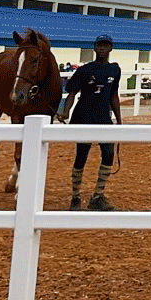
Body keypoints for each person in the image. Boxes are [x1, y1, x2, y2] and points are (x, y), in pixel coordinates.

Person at [59, 34, 122, 211]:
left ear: (110, 48)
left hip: (103, 117)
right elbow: (72, 93)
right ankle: (75, 197)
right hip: (84, 116)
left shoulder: (114, 70)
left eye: (105, 45)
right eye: (99, 45)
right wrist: (65, 111)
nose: (102, 48)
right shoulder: (85, 70)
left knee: (108, 154)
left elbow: (114, 95)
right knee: (81, 156)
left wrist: (119, 120)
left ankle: (98, 196)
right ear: (94, 48)